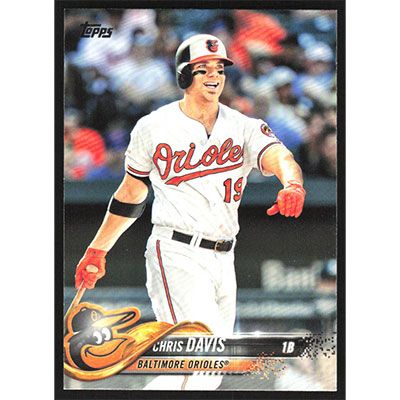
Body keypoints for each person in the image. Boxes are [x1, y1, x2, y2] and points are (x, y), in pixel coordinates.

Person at [73, 34, 306, 390]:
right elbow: (132, 192)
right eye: (203, 68)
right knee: (201, 357)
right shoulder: (154, 126)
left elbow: (280, 156)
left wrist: (292, 183)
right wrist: (98, 248)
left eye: (219, 69)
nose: (214, 75)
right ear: (184, 75)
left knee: (209, 371)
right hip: (176, 250)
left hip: (224, 257)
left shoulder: (242, 126)